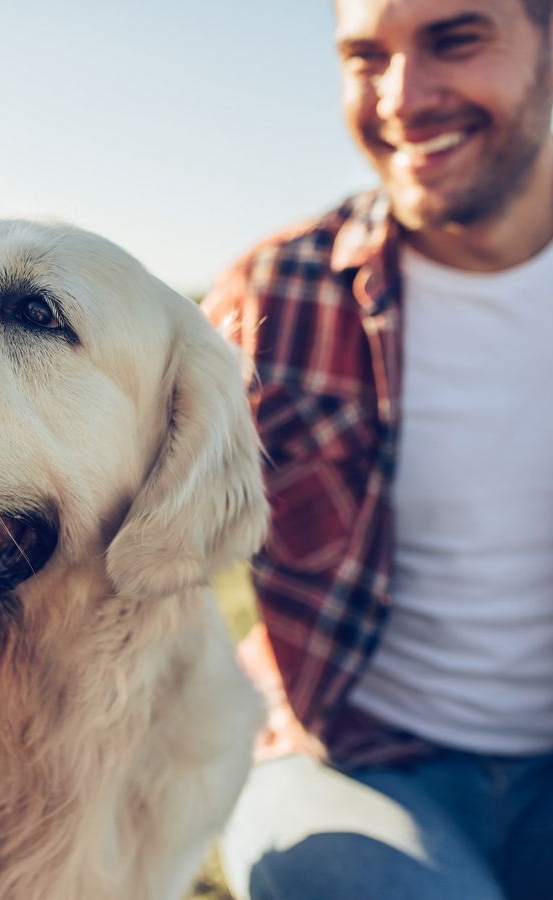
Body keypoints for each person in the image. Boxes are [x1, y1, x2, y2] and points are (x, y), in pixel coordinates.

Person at [204, 1, 553, 898]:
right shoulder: (277, 294)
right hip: (345, 759)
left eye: (455, 39)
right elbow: (102, 513)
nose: (403, 96)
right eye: (366, 57)